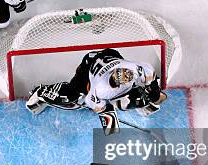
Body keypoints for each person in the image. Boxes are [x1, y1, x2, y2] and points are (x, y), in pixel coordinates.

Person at [26, 48, 167, 119]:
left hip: (111, 55)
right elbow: (96, 106)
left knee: (140, 95)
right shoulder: (101, 89)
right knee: (74, 99)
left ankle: (139, 101)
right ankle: (40, 93)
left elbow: (153, 80)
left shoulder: (137, 69)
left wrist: (153, 94)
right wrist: (112, 125)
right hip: (89, 67)